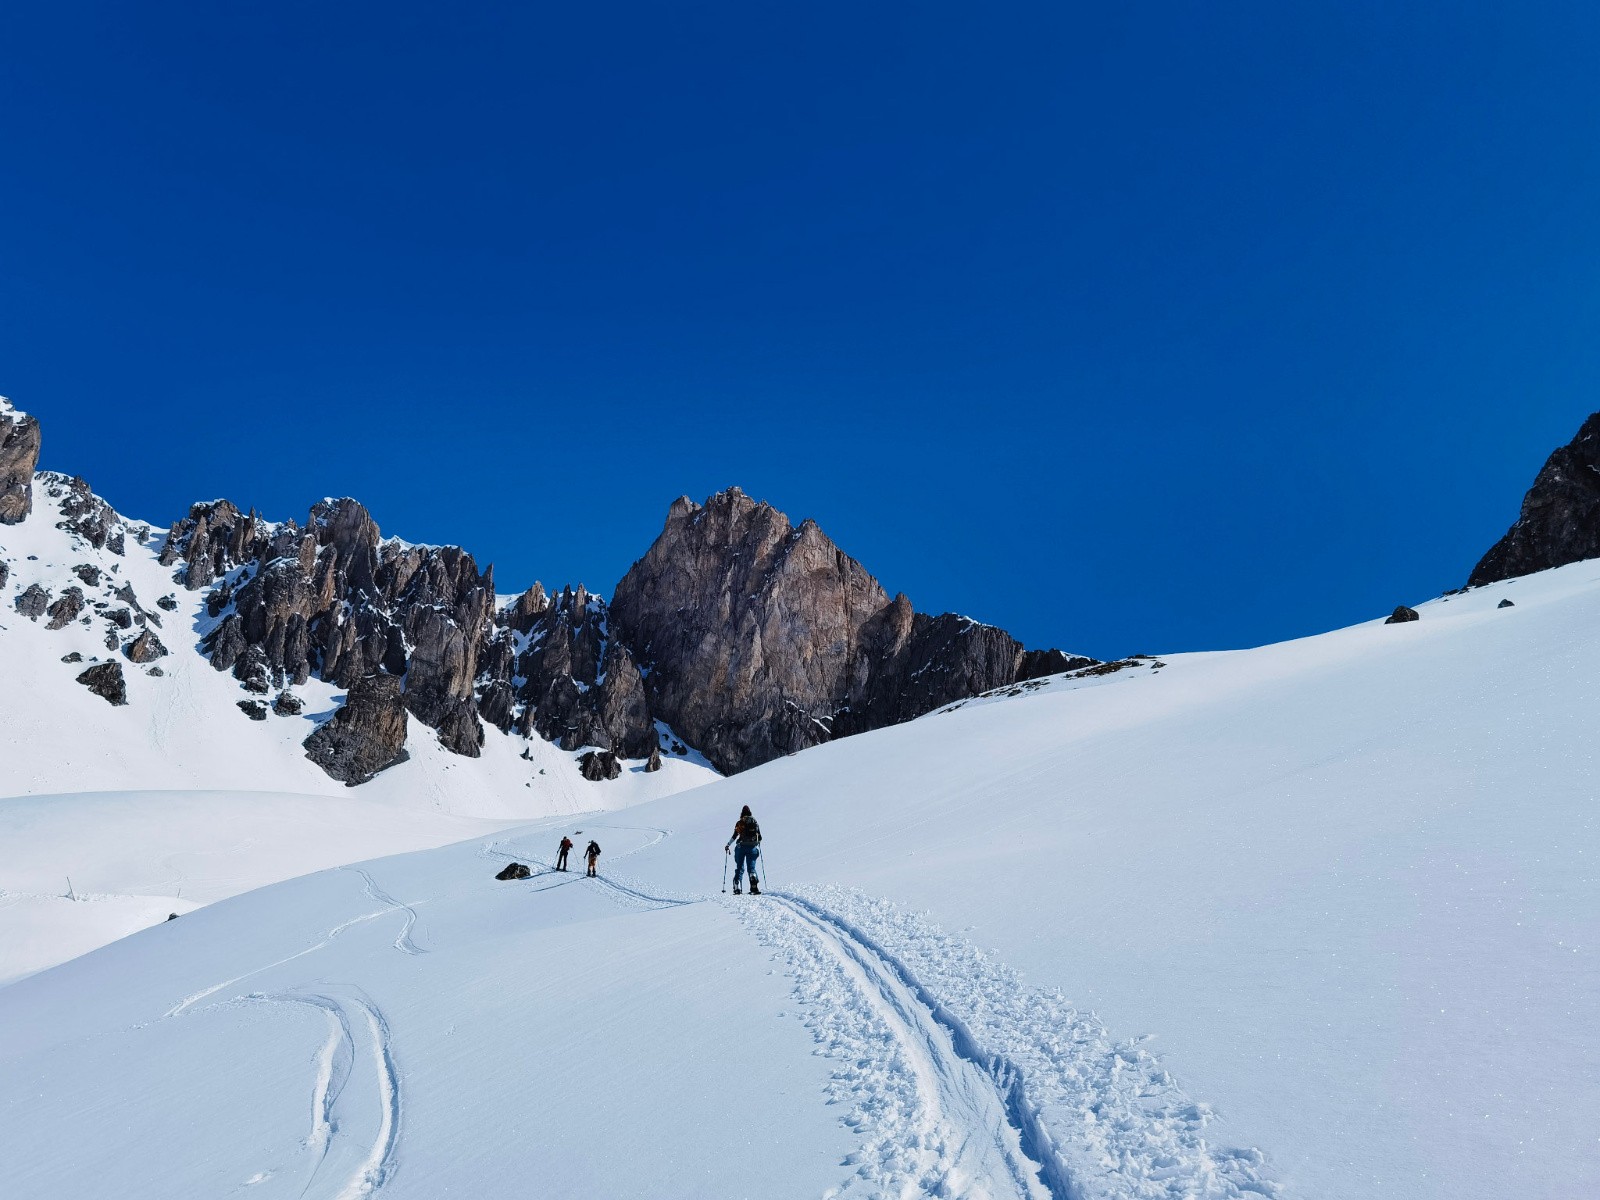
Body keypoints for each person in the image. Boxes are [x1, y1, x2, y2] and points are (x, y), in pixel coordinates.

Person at [725, 805, 762, 895]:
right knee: (751, 867)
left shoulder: (740, 823)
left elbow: (735, 835)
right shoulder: (754, 822)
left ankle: (737, 886)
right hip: (752, 847)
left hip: (741, 847)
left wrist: (728, 844)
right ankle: (753, 883)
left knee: (740, 867)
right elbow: (760, 837)